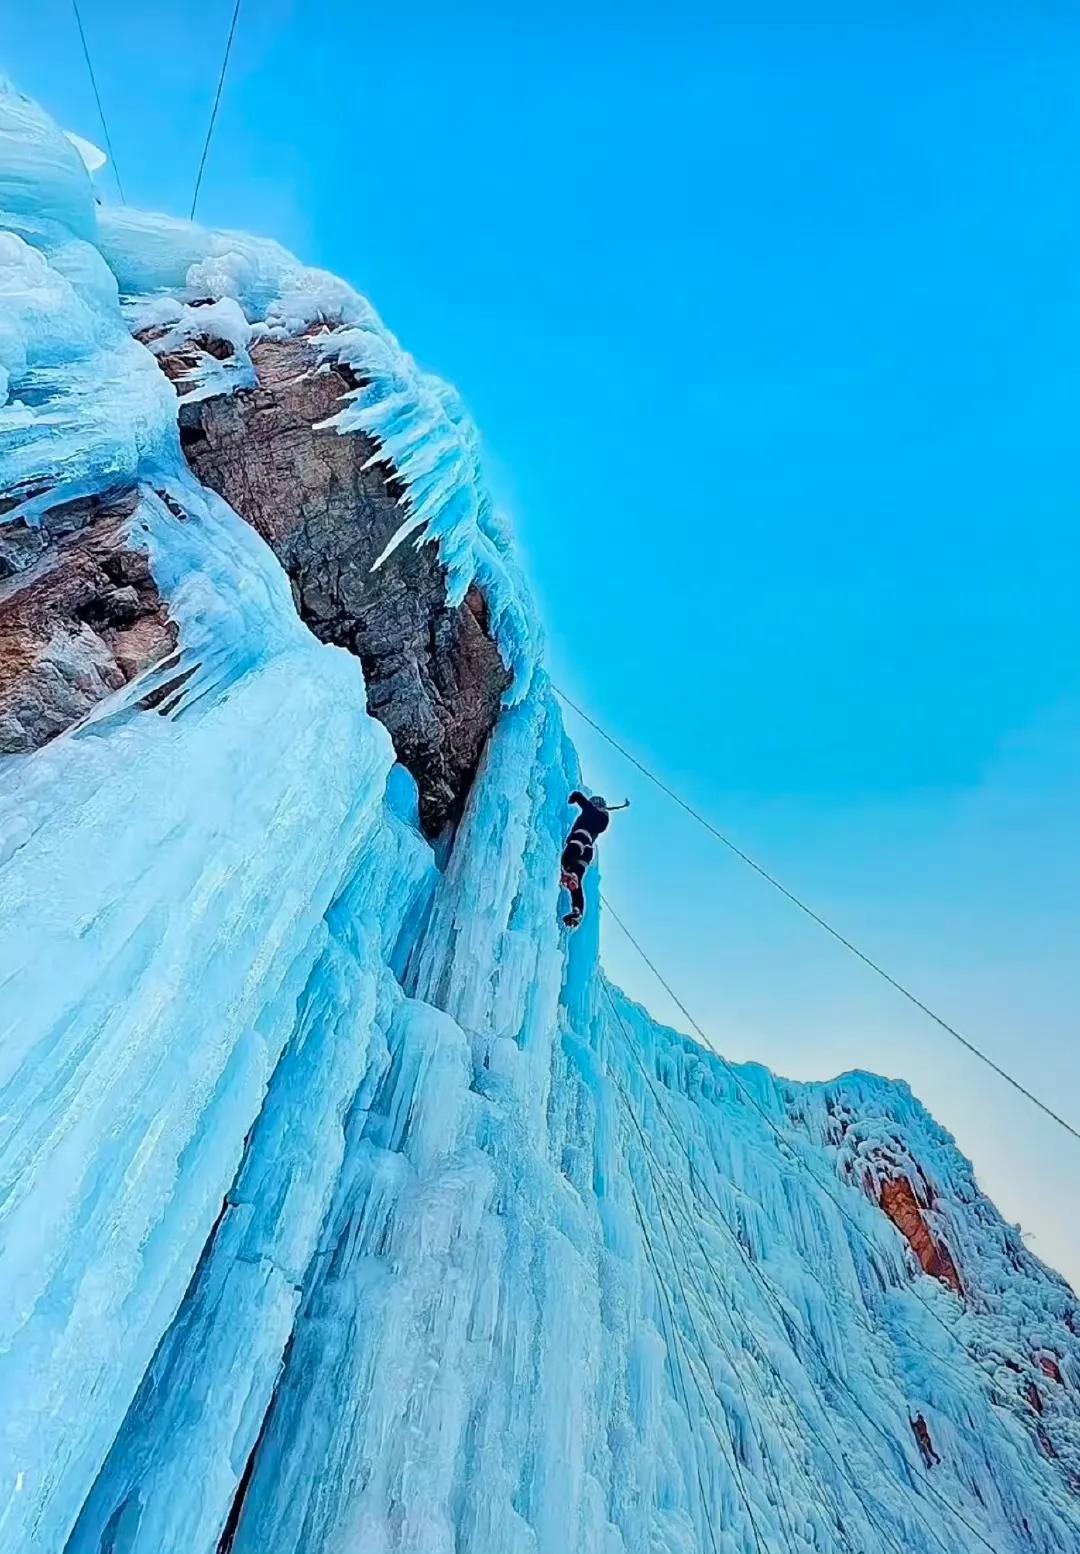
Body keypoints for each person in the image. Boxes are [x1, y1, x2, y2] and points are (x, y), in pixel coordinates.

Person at [560, 791, 628, 929]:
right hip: (588, 851)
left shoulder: (592, 811)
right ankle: (577, 911)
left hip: (579, 841)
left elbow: (580, 799)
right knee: (577, 882)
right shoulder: (603, 819)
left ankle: (569, 873)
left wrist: (574, 797)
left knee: (566, 860)